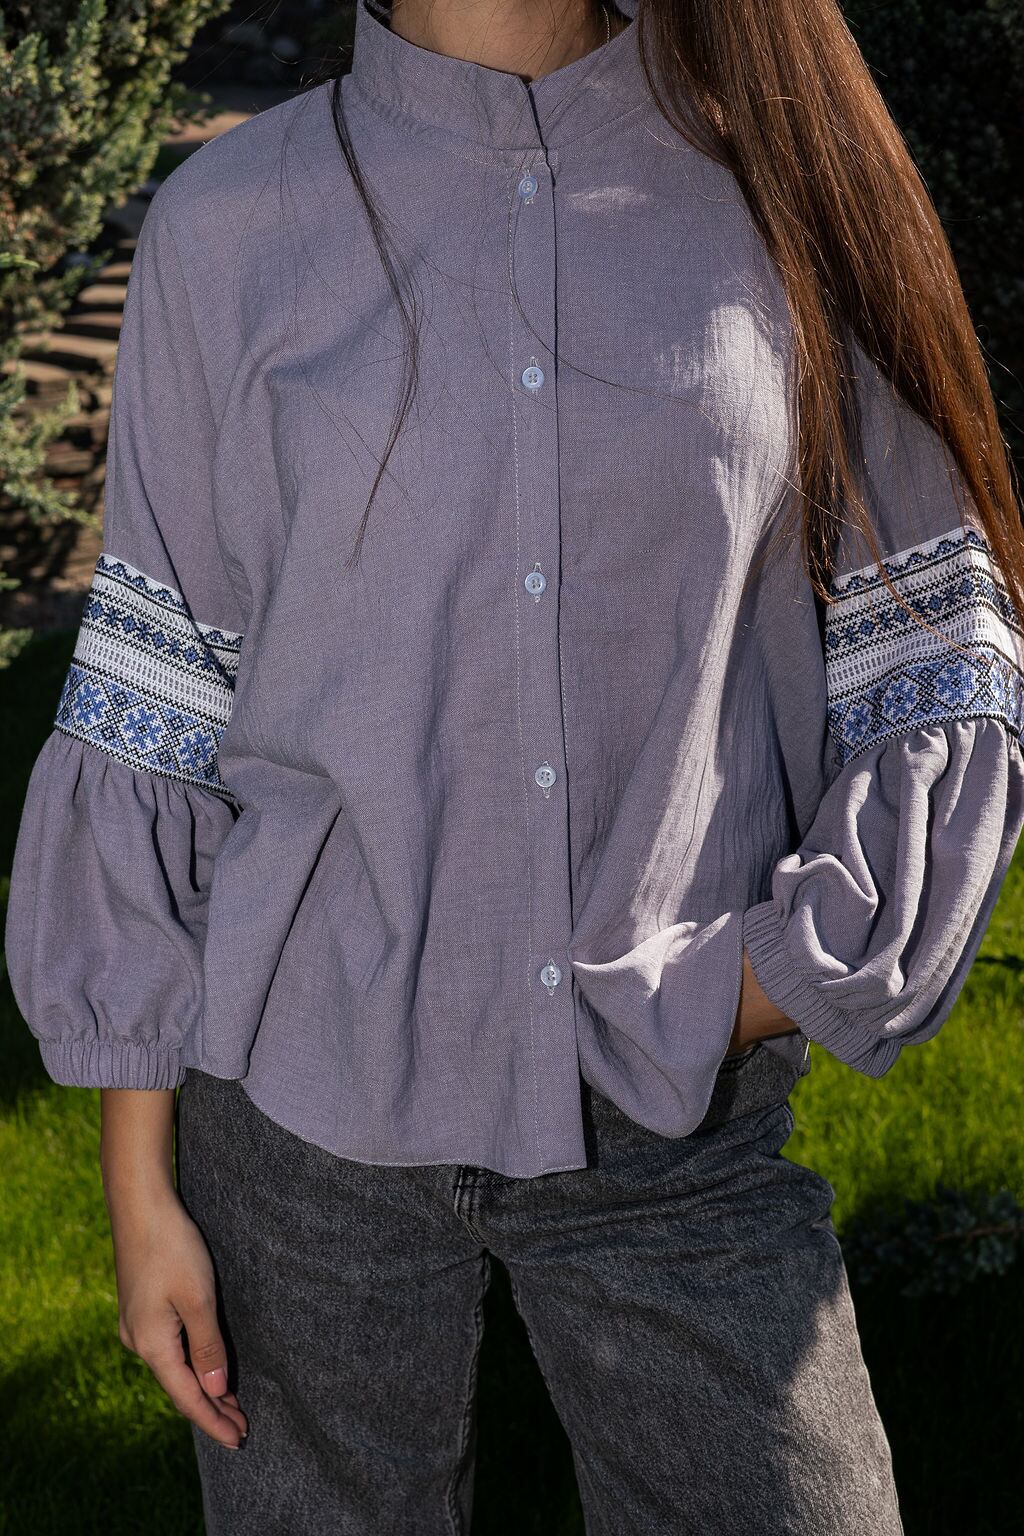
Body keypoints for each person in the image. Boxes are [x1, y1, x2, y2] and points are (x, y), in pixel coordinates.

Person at [7, 0, 1024, 1529]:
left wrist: (753, 985)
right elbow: (152, 701)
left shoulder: (787, 200)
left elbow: (936, 661)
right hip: (295, 1125)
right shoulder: (228, 222)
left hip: (675, 1123)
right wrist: (140, 1191)